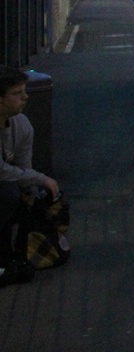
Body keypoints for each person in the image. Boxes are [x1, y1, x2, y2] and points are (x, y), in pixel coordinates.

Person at [0, 66, 58, 286]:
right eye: (16, 93)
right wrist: (40, 178)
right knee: (8, 195)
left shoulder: (22, 124)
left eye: (24, 91)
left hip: (6, 183)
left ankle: (11, 256)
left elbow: (25, 166)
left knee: (29, 198)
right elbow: (2, 170)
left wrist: (35, 196)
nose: (25, 97)